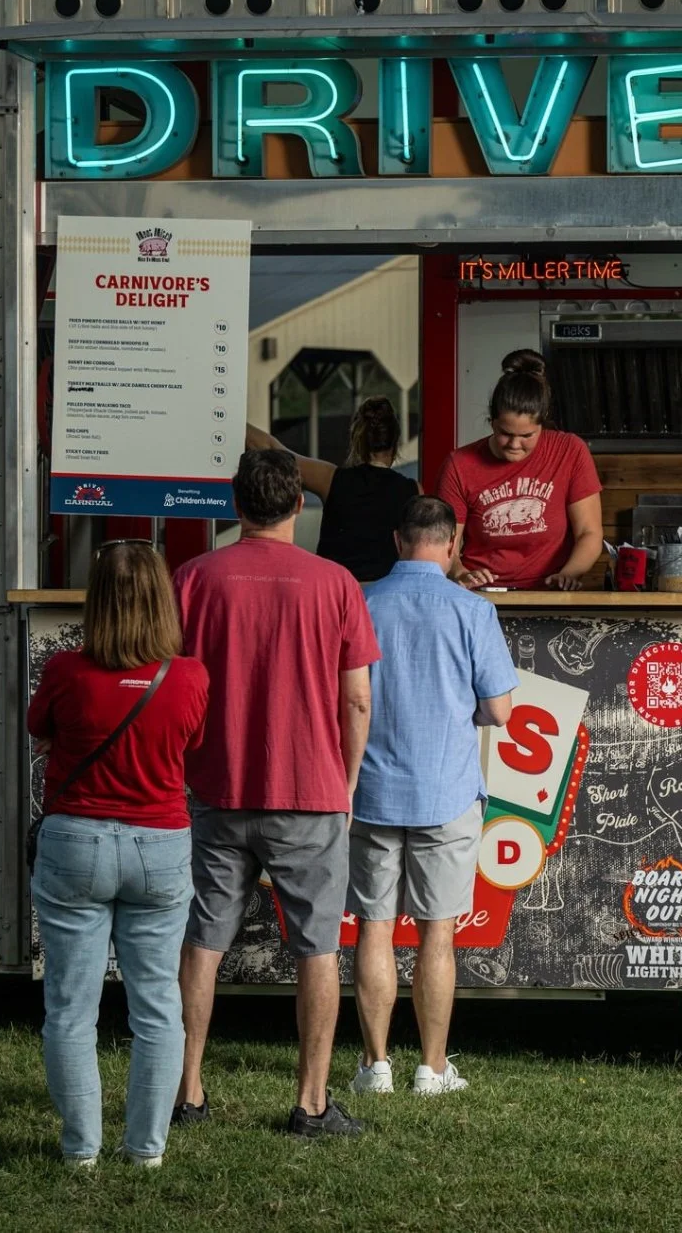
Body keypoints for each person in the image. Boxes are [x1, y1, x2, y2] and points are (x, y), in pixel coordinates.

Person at [172, 449, 379, 1138]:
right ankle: (311, 1102)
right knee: (316, 948)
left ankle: (188, 1089)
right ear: (300, 505)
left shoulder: (192, 579)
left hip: (214, 786)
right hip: (310, 789)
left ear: (236, 505)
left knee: (202, 940)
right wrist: (346, 782)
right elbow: (356, 700)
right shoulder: (336, 583)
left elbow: (168, 685)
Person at [27, 540, 209, 1169]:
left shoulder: (65, 671)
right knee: (157, 1006)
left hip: (75, 840)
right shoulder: (189, 676)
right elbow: (191, 740)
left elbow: (38, 727)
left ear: (96, 600)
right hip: (160, 845)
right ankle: (145, 1150)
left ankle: (81, 1151)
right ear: (163, 600)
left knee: (71, 1007)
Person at [348, 497, 517, 1096]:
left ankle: (375, 1068)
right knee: (436, 933)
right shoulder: (472, 609)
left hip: (370, 794)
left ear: (398, 541)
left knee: (373, 927)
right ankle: (433, 1067)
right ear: (451, 547)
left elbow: (342, 697)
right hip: (446, 793)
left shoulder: (362, 602)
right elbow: (499, 709)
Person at [436, 358, 603, 591]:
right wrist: (461, 573)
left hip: (550, 593)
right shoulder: (459, 464)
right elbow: (447, 545)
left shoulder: (570, 451)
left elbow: (589, 532)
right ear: (492, 422)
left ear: (542, 423)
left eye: (527, 436)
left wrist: (569, 574)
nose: (514, 444)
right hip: (482, 596)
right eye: (505, 433)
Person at [246, 397, 419, 582]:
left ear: (357, 439)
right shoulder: (413, 490)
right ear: (396, 442)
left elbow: (270, 448)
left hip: (333, 597)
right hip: (386, 602)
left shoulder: (331, 479)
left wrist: (222, 416)